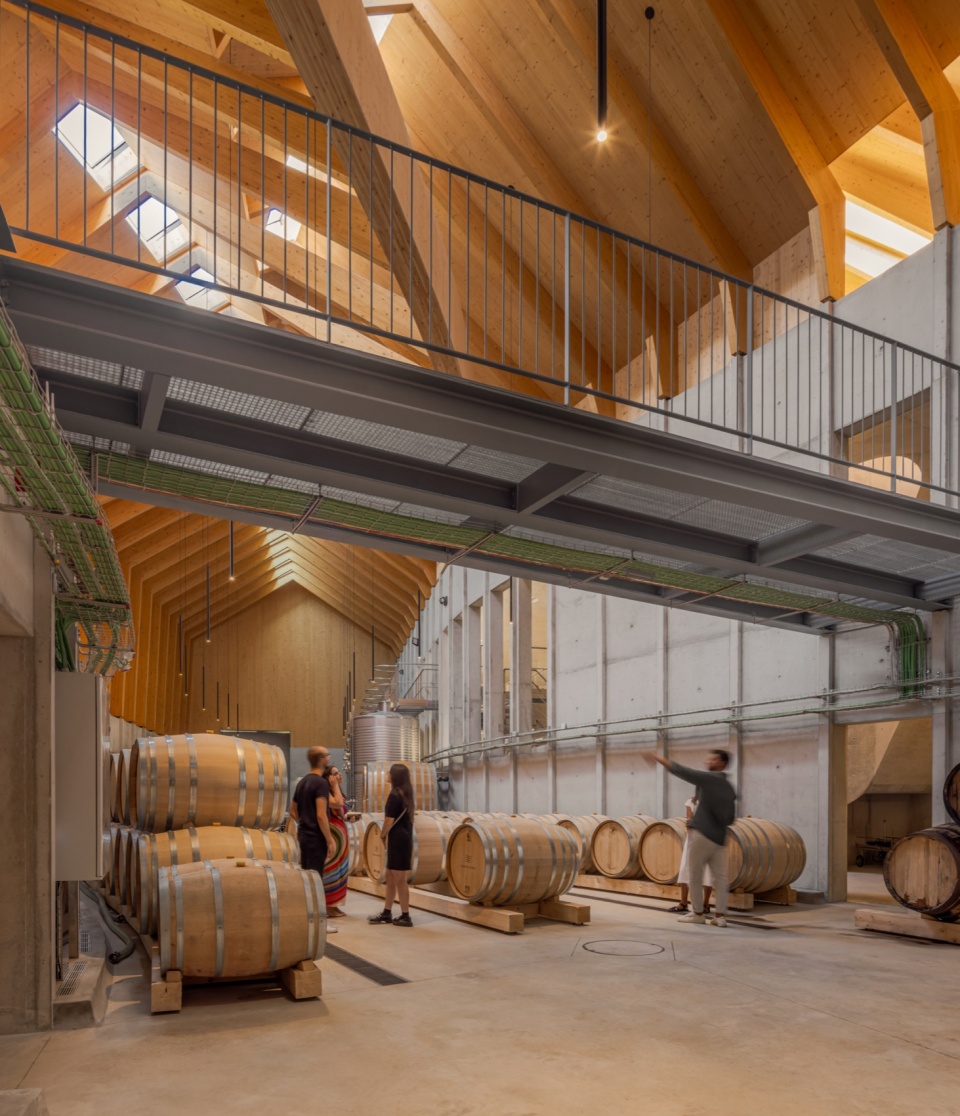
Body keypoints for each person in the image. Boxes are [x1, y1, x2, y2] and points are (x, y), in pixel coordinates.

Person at [652, 749, 735, 927]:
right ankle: (719, 916)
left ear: (722, 763)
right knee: (720, 879)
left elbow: (683, 771)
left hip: (702, 834)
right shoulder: (728, 787)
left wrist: (659, 758)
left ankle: (697, 913)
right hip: (720, 838)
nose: (709, 761)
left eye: (713, 759)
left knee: (695, 874)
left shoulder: (709, 779)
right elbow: (730, 819)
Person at [289, 747, 338, 932]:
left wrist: (303, 824)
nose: (329, 757)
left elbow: (292, 811)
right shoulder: (320, 783)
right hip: (316, 837)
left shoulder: (302, 782)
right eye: (327, 755)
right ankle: (319, 922)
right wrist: (329, 839)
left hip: (304, 835)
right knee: (316, 880)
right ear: (321, 759)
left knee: (307, 878)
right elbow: (321, 815)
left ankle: (308, 918)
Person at [368, 763, 415, 927]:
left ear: (394, 776)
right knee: (390, 876)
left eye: (389, 772)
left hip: (398, 840)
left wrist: (382, 835)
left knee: (400, 878)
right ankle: (387, 912)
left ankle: (405, 915)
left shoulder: (395, 795)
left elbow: (389, 820)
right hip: (403, 838)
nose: (387, 774)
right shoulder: (405, 793)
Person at [668, 794, 714, 915]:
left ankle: (705, 904)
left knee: (707, 870)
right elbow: (689, 820)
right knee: (686, 868)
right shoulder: (691, 801)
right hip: (694, 838)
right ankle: (684, 902)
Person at [322, 763, 350, 918]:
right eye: (335, 773)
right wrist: (334, 785)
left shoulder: (337, 791)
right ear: (329, 778)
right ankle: (329, 905)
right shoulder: (326, 792)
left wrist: (348, 818)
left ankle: (336, 904)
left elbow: (341, 811)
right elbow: (337, 803)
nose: (340, 775)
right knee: (331, 870)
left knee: (341, 871)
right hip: (333, 835)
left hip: (342, 837)